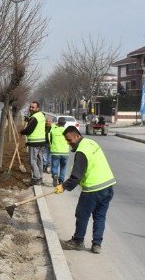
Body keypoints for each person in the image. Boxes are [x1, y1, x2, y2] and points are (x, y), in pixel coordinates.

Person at [54, 125, 116, 254]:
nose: (68, 143)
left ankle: (78, 241)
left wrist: (63, 186)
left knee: (82, 215)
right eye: (66, 141)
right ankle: (97, 244)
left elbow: (76, 176)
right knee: (100, 216)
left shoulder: (81, 151)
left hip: (93, 189)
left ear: (77, 136)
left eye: (69, 140)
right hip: (108, 185)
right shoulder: (91, 142)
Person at [19, 101, 46, 186]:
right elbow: (36, 124)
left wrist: (22, 132)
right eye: (30, 107)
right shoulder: (41, 115)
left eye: (33, 107)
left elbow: (29, 130)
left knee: (32, 161)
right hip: (42, 142)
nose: (30, 108)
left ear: (37, 108)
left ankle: (36, 178)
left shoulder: (34, 117)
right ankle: (40, 177)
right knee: (39, 161)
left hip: (34, 142)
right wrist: (28, 119)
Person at [49, 117, 70, 187]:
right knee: (63, 167)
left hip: (55, 152)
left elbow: (50, 140)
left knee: (55, 166)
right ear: (65, 123)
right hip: (65, 152)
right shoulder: (67, 131)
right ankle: (61, 181)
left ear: (58, 123)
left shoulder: (53, 130)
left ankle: (55, 174)